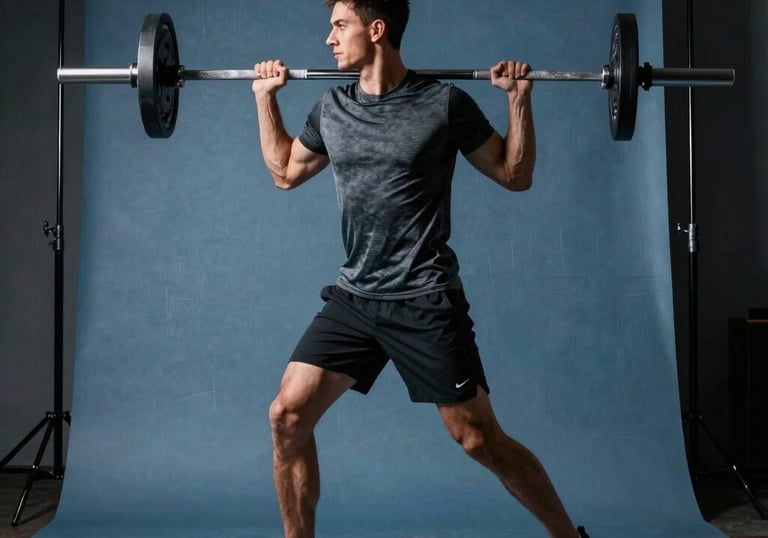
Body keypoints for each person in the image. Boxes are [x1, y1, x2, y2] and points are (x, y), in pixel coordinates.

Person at [252, 1, 588, 537]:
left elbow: (513, 174)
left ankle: (569, 537)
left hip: (423, 297)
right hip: (355, 297)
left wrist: (520, 101)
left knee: (477, 437)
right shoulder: (331, 108)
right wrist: (265, 100)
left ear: (376, 29)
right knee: (286, 416)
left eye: (340, 26)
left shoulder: (444, 104)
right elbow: (286, 174)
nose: (328, 39)